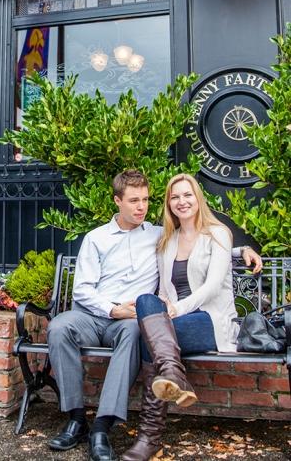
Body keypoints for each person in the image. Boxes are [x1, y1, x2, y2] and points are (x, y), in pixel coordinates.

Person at [47, 170, 261, 461]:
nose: (141, 207)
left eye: (146, 200)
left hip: (151, 320)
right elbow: (82, 290)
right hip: (98, 315)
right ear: (117, 201)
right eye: (134, 200)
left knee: (142, 327)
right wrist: (112, 308)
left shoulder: (160, 234)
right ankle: (76, 418)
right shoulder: (107, 238)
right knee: (60, 326)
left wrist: (243, 250)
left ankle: (104, 426)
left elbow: (208, 252)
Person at [122, 173, 247, 461]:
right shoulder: (167, 241)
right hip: (176, 321)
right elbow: (164, 292)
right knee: (146, 300)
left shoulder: (218, 234)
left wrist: (177, 309)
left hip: (211, 320)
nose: (182, 201)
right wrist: (166, 307)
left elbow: (213, 285)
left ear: (198, 198)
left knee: (148, 339)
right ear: (169, 204)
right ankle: (174, 376)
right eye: (175, 197)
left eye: (187, 195)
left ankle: (149, 437)